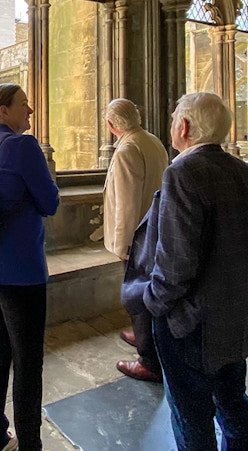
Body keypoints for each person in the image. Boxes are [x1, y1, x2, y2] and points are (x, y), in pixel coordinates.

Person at [143, 92, 248, 451]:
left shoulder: (183, 172)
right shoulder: (240, 169)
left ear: (184, 127)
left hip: (192, 324)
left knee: (191, 418)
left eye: (174, 119)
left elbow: (176, 262)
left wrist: (153, 302)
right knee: (234, 406)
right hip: (235, 314)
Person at [0, 83, 59, 451]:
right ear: (3, 111)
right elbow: (50, 202)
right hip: (18, 270)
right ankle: (30, 443)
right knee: (27, 360)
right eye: (24, 105)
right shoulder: (24, 146)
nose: (31, 111)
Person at [103, 98, 168, 382]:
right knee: (147, 290)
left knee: (137, 293)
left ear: (111, 124)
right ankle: (145, 336)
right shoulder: (151, 140)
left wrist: (124, 245)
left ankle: (148, 358)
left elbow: (127, 203)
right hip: (155, 229)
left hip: (138, 235)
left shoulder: (128, 149)